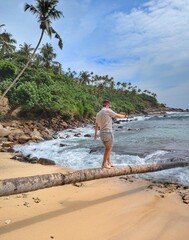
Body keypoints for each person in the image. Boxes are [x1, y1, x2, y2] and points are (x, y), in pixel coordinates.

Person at [94, 99, 128, 169]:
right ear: (107, 105)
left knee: (107, 148)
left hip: (102, 133)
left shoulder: (98, 113)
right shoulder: (107, 110)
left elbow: (97, 124)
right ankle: (103, 164)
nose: (110, 107)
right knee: (109, 149)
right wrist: (125, 116)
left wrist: (95, 134)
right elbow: (116, 115)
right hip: (108, 132)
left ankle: (109, 163)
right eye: (109, 105)